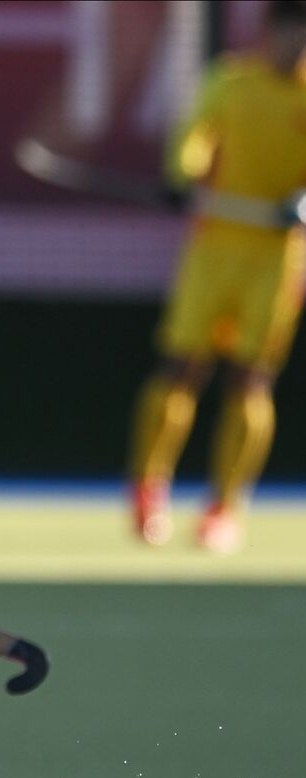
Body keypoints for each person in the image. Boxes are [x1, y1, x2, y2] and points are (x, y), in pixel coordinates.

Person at [128, 0, 306, 553]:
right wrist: (184, 175)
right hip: (214, 249)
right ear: (270, 31)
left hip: (277, 259)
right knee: (181, 367)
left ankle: (225, 509)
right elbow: (194, 136)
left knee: (251, 380)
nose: (295, 46)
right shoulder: (230, 82)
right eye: (289, 33)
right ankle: (148, 491)